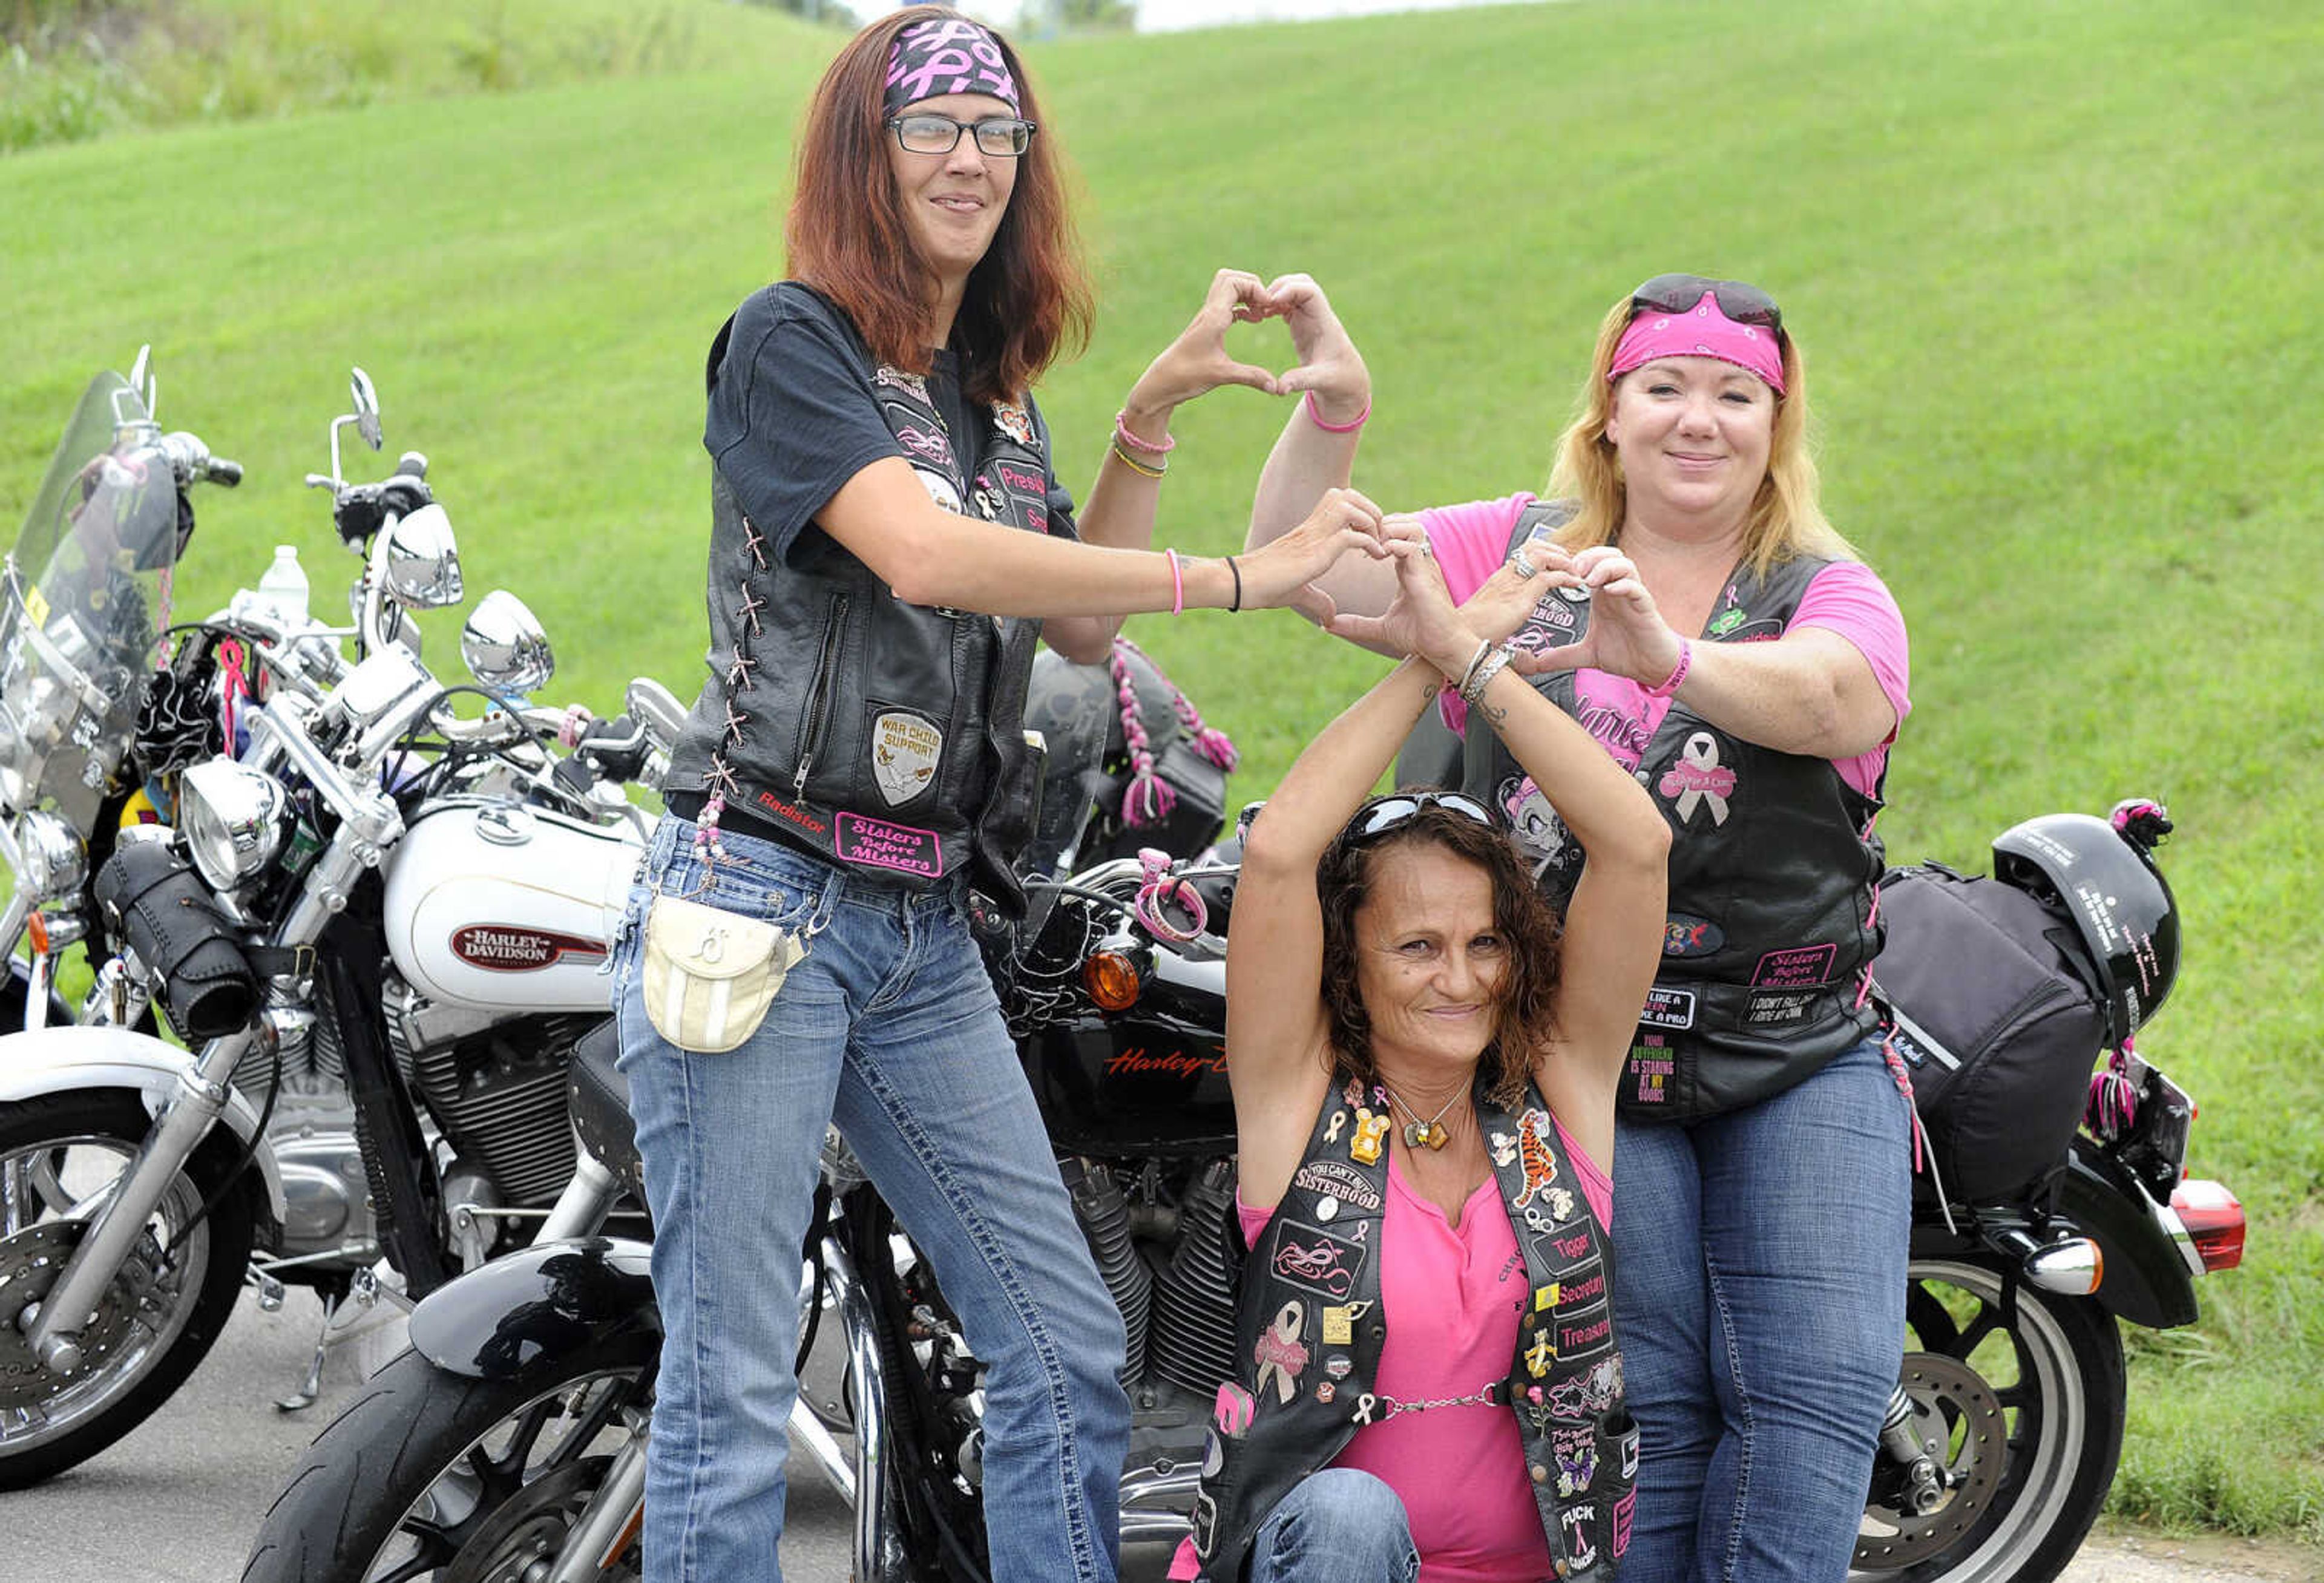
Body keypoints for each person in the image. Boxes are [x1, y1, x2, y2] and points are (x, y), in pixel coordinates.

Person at [608, 10, 1387, 1579]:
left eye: (996, 130)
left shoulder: (986, 387)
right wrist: (1240, 578)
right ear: (867, 155)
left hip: (916, 928)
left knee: (1061, 1350)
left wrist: (1147, 420)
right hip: (757, 895)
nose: (971, 155)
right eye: (933, 126)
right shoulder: (792, 340)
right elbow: (928, 553)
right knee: (733, 1395)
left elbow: (1074, 626)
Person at [1244, 274, 1915, 1583]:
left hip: (1793, 1045)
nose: (1697, 420)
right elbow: (1303, 568)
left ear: (1781, 426)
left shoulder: (1827, 589)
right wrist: (1334, 417)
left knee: (1820, 1397)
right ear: (1610, 410)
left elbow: (1839, 701)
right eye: (1663, 386)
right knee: (1636, 1397)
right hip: (1583, 1056)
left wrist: (1666, 654)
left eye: (1737, 396)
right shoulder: (1521, 545)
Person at [1175, 526, 1670, 1582]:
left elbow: (1637, 844)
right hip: (1326, 1563)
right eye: (1417, 946)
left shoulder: (1559, 1091)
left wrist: (1478, 665)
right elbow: (1279, 851)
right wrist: (1430, 660)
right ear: (1347, 965)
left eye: (1486, 942)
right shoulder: (1293, 1105)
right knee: (1352, 1515)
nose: (1461, 977)